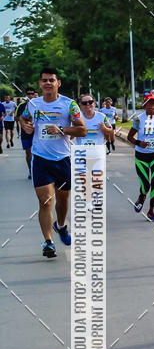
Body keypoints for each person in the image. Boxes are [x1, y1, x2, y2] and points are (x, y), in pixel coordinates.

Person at [22, 68, 86, 258]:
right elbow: (24, 118)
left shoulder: (70, 105)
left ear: (58, 83)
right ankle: (48, 242)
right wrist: (24, 125)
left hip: (62, 159)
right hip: (40, 159)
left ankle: (61, 225)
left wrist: (61, 129)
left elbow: (82, 130)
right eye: (44, 80)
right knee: (45, 201)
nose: (48, 83)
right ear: (40, 84)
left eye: (51, 80)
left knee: (63, 199)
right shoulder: (33, 104)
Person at [127, 93, 154, 222]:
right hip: (141, 156)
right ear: (144, 105)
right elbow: (129, 137)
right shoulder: (139, 119)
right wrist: (139, 143)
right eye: (149, 104)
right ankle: (141, 197)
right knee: (146, 184)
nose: (151, 106)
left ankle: (151, 210)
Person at [16, 87, 36, 178]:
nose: (30, 95)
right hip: (25, 133)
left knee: (36, 153)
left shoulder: (39, 105)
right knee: (29, 153)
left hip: (36, 133)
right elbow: (16, 118)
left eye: (32, 93)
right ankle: (30, 171)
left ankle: (37, 170)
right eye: (29, 94)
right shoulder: (22, 105)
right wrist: (24, 123)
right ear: (26, 95)